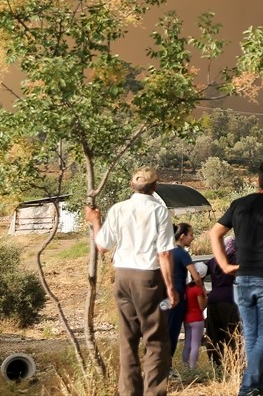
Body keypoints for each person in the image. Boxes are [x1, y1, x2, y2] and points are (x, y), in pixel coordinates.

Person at [84, 166, 176, 396]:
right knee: (155, 340)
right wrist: (171, 288)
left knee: (128, 338)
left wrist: (95, 221)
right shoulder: (159, 211)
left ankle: (128, 392)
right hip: (148, 277)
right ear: (155, 186)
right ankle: (153, 392)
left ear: (131, 185)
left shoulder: (118, 209)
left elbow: (103, 246)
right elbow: (164, 253)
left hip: (123, 276)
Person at [210, 160, 263, 396]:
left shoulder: (239, 204)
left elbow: (215, 232)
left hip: (243, 278)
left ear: (257, 180)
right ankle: (248, 385)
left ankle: (259, 386)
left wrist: (225, 264)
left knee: (252, 334)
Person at [168, 222, 205, 361]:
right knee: (174, 330)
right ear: (182, 236)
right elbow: (196, 276)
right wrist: (201, 290)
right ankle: (168, 363)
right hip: (178, 296)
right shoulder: (182, 254)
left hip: (166, 295)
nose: (193, 238)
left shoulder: (168, 252)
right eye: (191, 235)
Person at [205, 236, 240, 366]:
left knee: (214, 334)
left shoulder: (213, 261)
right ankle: (232, 364)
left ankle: (216, 364)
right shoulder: (235, 260)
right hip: (230, 300)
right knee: (231, 334)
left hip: (213, 299)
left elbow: (198, 274)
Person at [182, 262, 209, 371]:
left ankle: (185, 367)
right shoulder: (199, 289)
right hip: (197, 318)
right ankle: (192, 369)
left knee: (187, 343)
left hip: (187, 318)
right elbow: (202, 306)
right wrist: (206, 297)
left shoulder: (187, 288)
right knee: (195, 344)